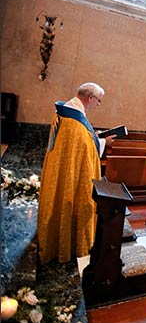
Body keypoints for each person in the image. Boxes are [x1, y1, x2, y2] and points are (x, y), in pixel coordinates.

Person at [37, 82, 114, 264]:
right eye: (99, 101)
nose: (98, 105)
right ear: (90, 98)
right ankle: (68, 244)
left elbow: (81, 142)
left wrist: (94, 136)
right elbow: (85, 150)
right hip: (73, 176)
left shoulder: (66, 111)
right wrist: (103, 142)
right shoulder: (74, 123)